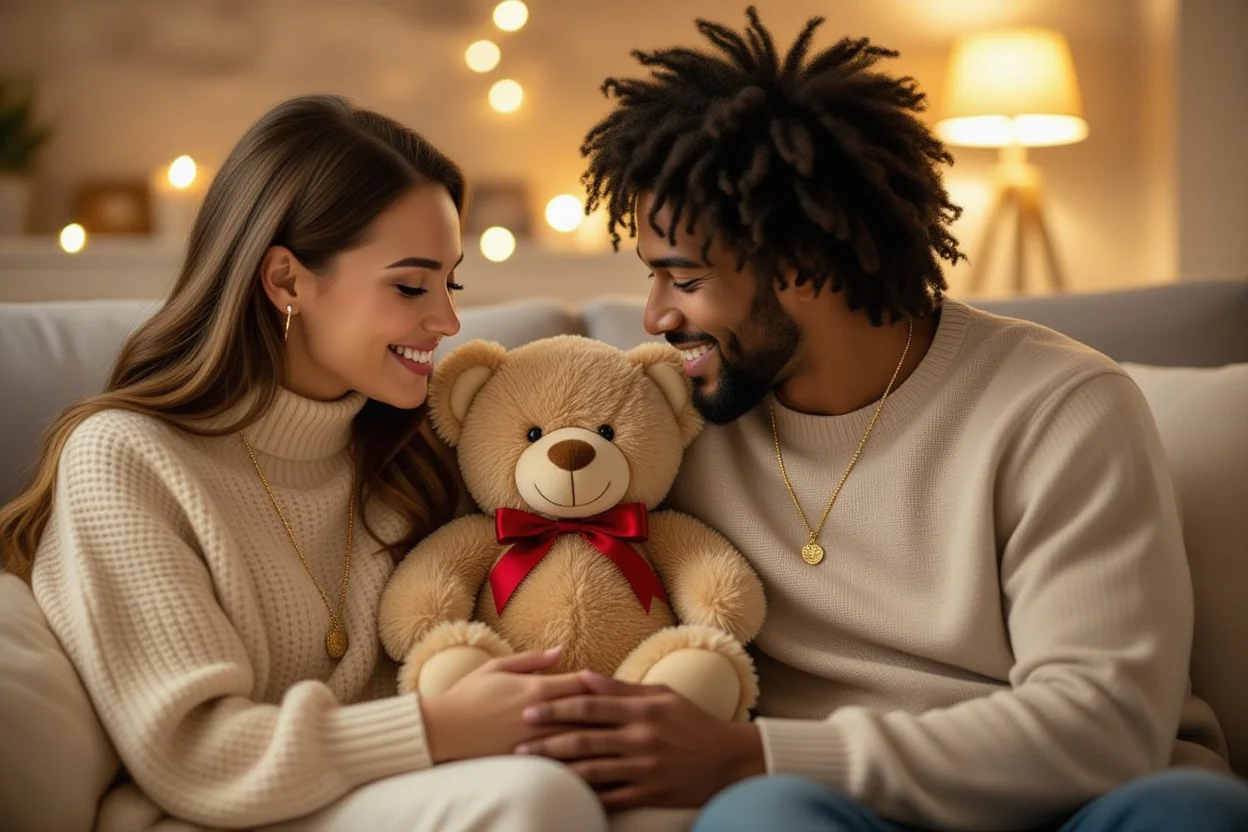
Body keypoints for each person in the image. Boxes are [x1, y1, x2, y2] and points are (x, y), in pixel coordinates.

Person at [511, 8, 1248, 831]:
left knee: (1194, 811)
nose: (653, 317)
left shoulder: (1061, 406)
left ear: (802, 264)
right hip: (828, 810)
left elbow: (1106, 726)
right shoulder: (663, 420)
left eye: (681, 280)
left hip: (1085, 803)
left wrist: (756, 755)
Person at [0, 95, 610, 832]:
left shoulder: (422, 453)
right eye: (412, 286)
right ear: (287, 281)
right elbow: (194, 752)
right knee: (537, 802)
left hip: (399, 796)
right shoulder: (126, 458)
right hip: (210, 817)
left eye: (452, 285)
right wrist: (435, 728)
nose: (447, 322)